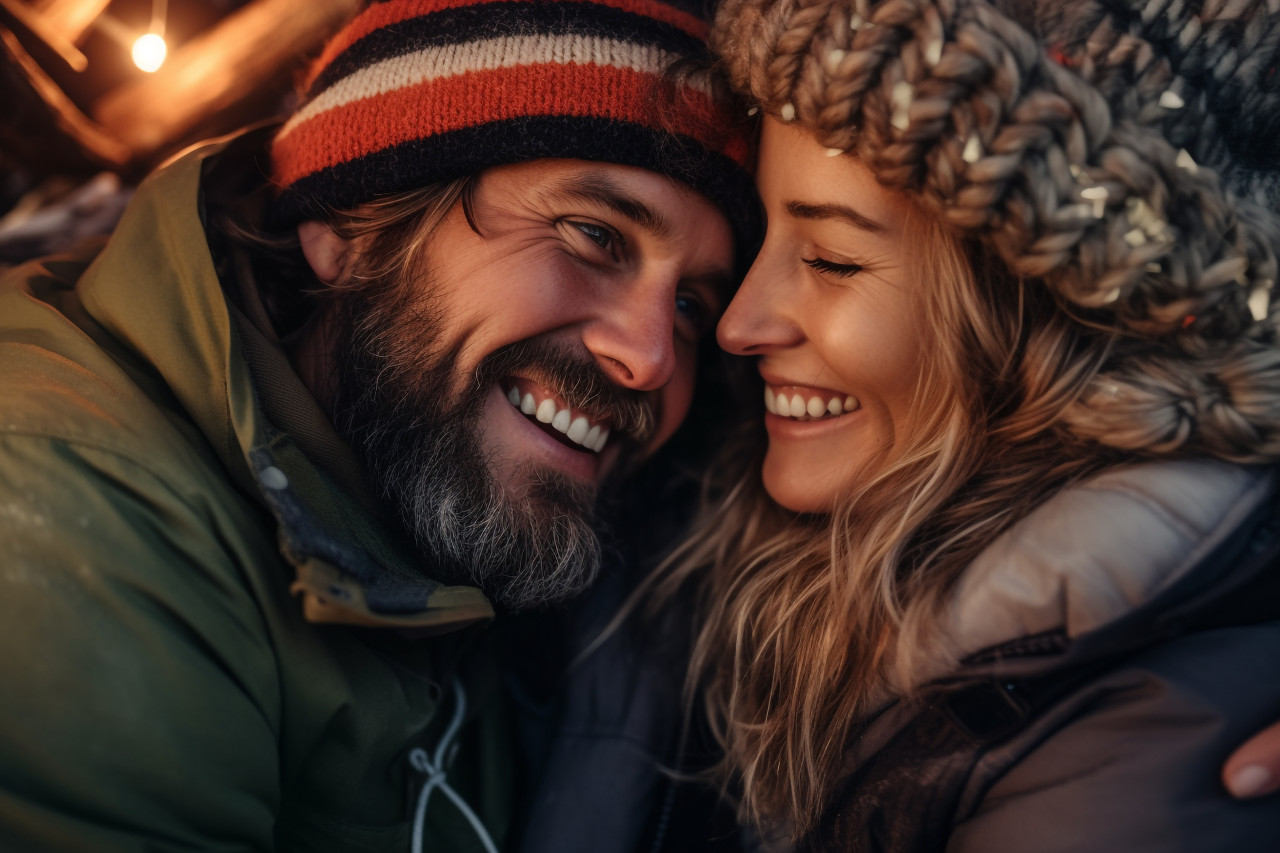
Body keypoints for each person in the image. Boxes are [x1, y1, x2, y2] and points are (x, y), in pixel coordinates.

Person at [0, 0, 757, 849]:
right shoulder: (77, 526)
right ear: (347, 222)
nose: (651, 357)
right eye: (593, 235)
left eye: (692, 303)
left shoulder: (448, 501)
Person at [626, 0, 1280, 849]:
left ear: (1047, 314)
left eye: (831, 260)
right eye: (759, 237)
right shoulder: (708, 506)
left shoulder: (1142, 754)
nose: (734, 325)